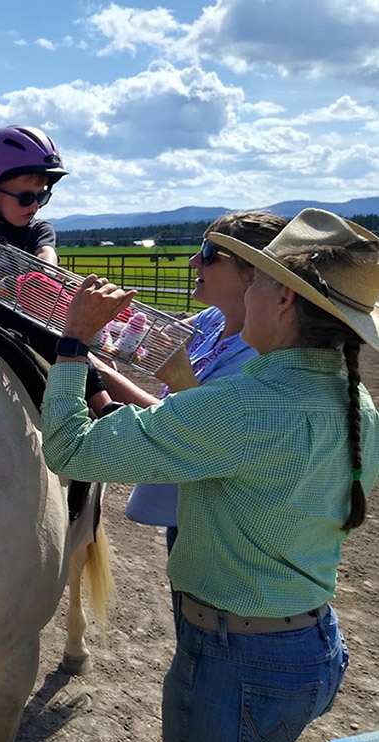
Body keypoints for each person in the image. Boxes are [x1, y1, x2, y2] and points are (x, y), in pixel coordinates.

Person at [41, 208, 379, 742]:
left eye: (258, 285)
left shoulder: (241, 408)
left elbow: (68, 449)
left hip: (236, 662)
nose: (245, 300)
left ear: (283, 299)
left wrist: (75, 338)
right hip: (310, 641)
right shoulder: (354, 401)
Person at [94, 211, 287, 555]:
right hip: (193, 503)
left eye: (210, 254)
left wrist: (102, 374)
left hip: (215, 518)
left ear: (253, 272)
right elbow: (148, 338)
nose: (194, 260)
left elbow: (187, 424)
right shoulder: (217, 318)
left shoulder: (256, 356)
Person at [0, 124, 113, 415]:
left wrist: (40, 273)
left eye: (42, 196)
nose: (35, 205)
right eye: (26, 197)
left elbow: (46, 255)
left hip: (25, 315)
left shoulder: (38, 229)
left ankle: (103, 405)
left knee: (65, 345)